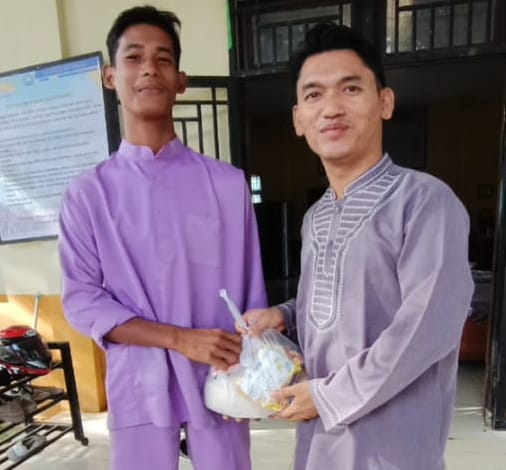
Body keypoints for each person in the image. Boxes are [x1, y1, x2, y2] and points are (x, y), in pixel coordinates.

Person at [242, 23, 474, 470]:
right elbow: (343, 304)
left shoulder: (425, 201)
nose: (331, 108)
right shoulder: (315, 217)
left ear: (384, 102)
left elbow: (427, 329)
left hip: (393, 449)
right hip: (319, 444)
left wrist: (327, 396)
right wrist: (284, 316)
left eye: (350, 88)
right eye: (314, 95)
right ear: (298, 119)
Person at [58, 6, 266, 470]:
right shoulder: (88, 195)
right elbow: (83, 300)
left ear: (181, 81)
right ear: (110, 77)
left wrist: (252, 367)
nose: (149, 68)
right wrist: (178, 339)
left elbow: (250, 292)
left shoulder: (226, 185)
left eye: (163, 59)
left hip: (220, 373)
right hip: (139, 380)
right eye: (134, 57)